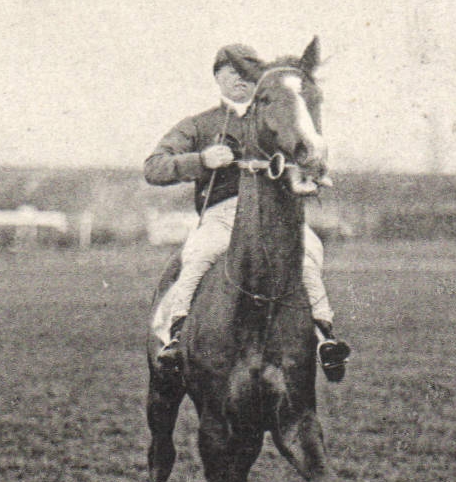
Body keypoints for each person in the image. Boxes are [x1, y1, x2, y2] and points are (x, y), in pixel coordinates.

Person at [144, 43, 350, 382]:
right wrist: (201, 161)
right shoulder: (198, 125)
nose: (240, 79)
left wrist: (310, 169)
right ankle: (174, 338)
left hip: (275, 218)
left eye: (248, 72)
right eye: (231, 72)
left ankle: (324, 339)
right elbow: (154, 167)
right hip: (222, 216)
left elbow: (305, 149)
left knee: (310, 252)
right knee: (197, 254)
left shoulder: (277, 114)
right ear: (217, 77)